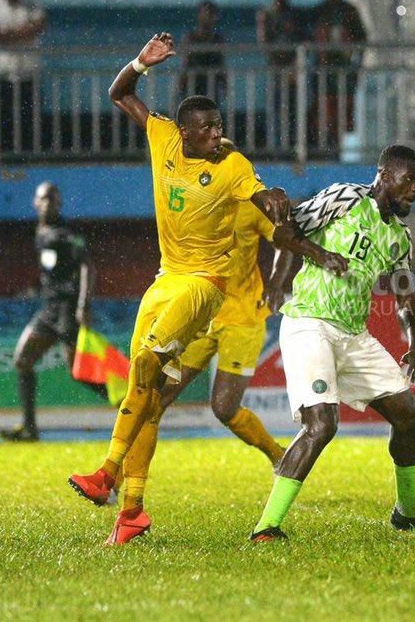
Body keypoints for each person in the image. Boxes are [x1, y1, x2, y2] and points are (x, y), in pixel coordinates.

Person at [65, 32, 307, 547]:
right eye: (207, 128)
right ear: (184, 132)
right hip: (166, 280)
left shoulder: (235, 168)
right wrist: (139, 62)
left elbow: (266, 206)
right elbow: (120, 93)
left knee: (160, 371)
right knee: (145, 394)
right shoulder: (164, 140)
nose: (217, 135)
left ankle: (106, 471)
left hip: (210, 288)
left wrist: (277, 201)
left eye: (220, 126)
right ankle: (131, 511)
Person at [249, 145, 415, 542]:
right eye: (409, 179)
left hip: (352, 334)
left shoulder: (399, 236)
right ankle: (266, 527)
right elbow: (286, 231)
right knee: (322, 424)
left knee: (410, 416)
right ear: (383, 174)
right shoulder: (346, 197)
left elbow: (402, 293)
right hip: (309, 323)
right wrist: (317, 256)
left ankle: (409, 511)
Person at [106, 185, 296, 544]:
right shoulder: (195, 202)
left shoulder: (249, 204)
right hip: (201, 313)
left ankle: (278, 455)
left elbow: (285, 240)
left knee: (224, 408)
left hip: (243, 318)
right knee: (155, 399)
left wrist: (275, 282)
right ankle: (119, 485)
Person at [0, 182, 104, 442]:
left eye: (53, 200)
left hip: (68, 309)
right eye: (44, 199)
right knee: (23, 360)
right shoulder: (41, 232)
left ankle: (131, 407)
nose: (48, 204)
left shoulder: (65, 233)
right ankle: (29, 428)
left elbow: (87, 267)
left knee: (78, 372)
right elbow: (53, 271)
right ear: (35, 203)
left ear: (59, 204)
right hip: (49, 309)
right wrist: (34, 290)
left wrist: (83, 305)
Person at [311, 0, 367, 148]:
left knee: (344, 118)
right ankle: (326, 151)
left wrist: (358, 66)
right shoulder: (318, 12)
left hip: (345, 73)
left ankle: (341, 152)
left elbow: (361, 40)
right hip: (324, 74)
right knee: (324, 117)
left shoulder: (349, 11)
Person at [0, 0, 46, 153]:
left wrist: (9, 34)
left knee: (29, 119)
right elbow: (0, 35)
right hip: (4, 75)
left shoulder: (32, 5)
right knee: (4, 119)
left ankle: (29, 156)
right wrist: (21, 33)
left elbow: (38, 26)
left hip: (27, 75)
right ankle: (6, 156)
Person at [256, 0, 302, 148]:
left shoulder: (295, 15)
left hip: (293, 73)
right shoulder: (266, 14)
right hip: (275, 71)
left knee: (293, 112)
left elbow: (301, 42)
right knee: (275, 111)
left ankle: (292, 148)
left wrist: (294, 66)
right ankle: (276, 150)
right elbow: (263, 43)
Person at [179, 0, 227, 101]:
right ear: (198, 15)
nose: (208, 17)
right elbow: (185, 63)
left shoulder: (218, 39)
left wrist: (224, 84)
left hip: (211, 84)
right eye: (205, 13)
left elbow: (221, 63)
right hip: (194, 83)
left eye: (211, 14)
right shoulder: (190, 38)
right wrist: (181, 86)